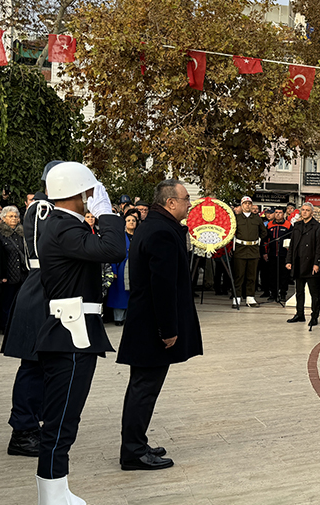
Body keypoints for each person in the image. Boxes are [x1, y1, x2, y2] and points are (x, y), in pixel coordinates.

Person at [33, 162, 125, 503]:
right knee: (61, 422)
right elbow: (115, 250)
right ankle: (52, 495)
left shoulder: (60, 225)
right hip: (69, 334)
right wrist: (107, 214)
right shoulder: (63, 228)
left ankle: (56, 490)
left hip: (74, 330)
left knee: (65, 418)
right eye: (89, 191)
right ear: (76, 193)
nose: (92, 196)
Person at [117, 179, 202, 471]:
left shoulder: (154, 225)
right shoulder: (161, 232)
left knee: (142, 387)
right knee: (144, 389)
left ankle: (136, 443)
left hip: (145, 323)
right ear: (171, 203)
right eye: (186, 198)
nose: (189, 204)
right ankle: (132, 452)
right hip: (152, 327)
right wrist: (169, 329)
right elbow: (162, 285)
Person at [1, 162, 60, 459]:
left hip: (44, 288)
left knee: (41, 366)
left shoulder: (49, 207)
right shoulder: (43, 208)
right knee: (32, 366)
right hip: (40, 288)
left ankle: (30, 425)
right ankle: (22, 430)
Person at [286, 203, 320, 327]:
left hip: (311, 263)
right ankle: (299, 314)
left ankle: (314, 316)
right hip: (298, 262)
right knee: (299, 291)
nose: (304, 212)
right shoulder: (297, 226)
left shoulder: (317, 226)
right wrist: (289, 261)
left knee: (314, 293)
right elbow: (292, 245)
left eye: (307, 210)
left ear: (312, 212)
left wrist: (317, 263)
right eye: (303, 210)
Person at [233, 196, 268, 308]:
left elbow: (264, 232)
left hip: (253, 250)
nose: (247, 205)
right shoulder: (236, 218)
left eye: (249, 203)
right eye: (245, 203)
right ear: (241, 205)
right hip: (240, 249)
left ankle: (250, 297)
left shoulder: (257, 219)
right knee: (239, 275)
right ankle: (237, 297)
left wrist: (257, 240)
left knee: (252, 275)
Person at [108, 209, 141, 326]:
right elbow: (114, 253)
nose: (131, 222)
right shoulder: (120, 237)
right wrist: (114, 270)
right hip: (121, 267)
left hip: (135, 266)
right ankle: (118, 318)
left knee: (132, 292)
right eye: (128, 220)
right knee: (119, 292)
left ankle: (130, 317)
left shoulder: (139, 236)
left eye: (133, 220)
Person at [0, 205, 29, 327]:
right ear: (4, 218)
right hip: (8, 275)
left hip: (22, 273)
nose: (14, 219)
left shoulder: (22, 234)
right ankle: (6, 326)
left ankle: (19, 325)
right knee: (7, 302)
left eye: (16, 216)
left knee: (20, 302)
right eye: (10, 216)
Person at [262, 207, 292, 302]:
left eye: (280, 212)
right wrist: (265, 253)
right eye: (276, 212)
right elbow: (265, 240)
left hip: (284, 255)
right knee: (272, 275)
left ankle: (283, 294)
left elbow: (292, 240)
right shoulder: (269, 225)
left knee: (284, 275)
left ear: (283, 214)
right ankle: (273, 294)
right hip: (272, 254)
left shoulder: (288, 225)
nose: (278, 214)